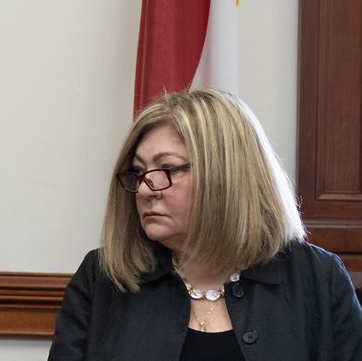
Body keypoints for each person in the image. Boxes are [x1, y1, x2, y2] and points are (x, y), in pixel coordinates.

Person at [49, 88, 362, 361]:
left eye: (167, 168)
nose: (144, 189)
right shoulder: (102, 278)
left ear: (227, 174)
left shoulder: (317, 278)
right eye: (139, 172)